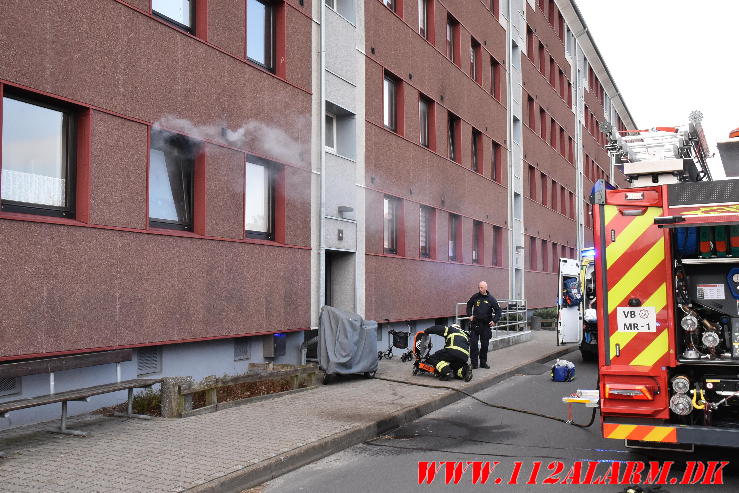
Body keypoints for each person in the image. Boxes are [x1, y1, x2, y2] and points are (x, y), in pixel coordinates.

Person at [466, 281, 502, 369]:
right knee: (473, 344)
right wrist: (470, 314)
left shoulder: (491, 299)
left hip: (486, 325)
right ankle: (474, 364)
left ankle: (483, 363)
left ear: (486, 288)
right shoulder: (475, 297)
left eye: (481, 288)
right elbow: (469, 305)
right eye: (479, 287)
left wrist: (494, 321)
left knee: (484, 345)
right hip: (475, 324)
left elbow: (498, 311)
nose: (480, 289)